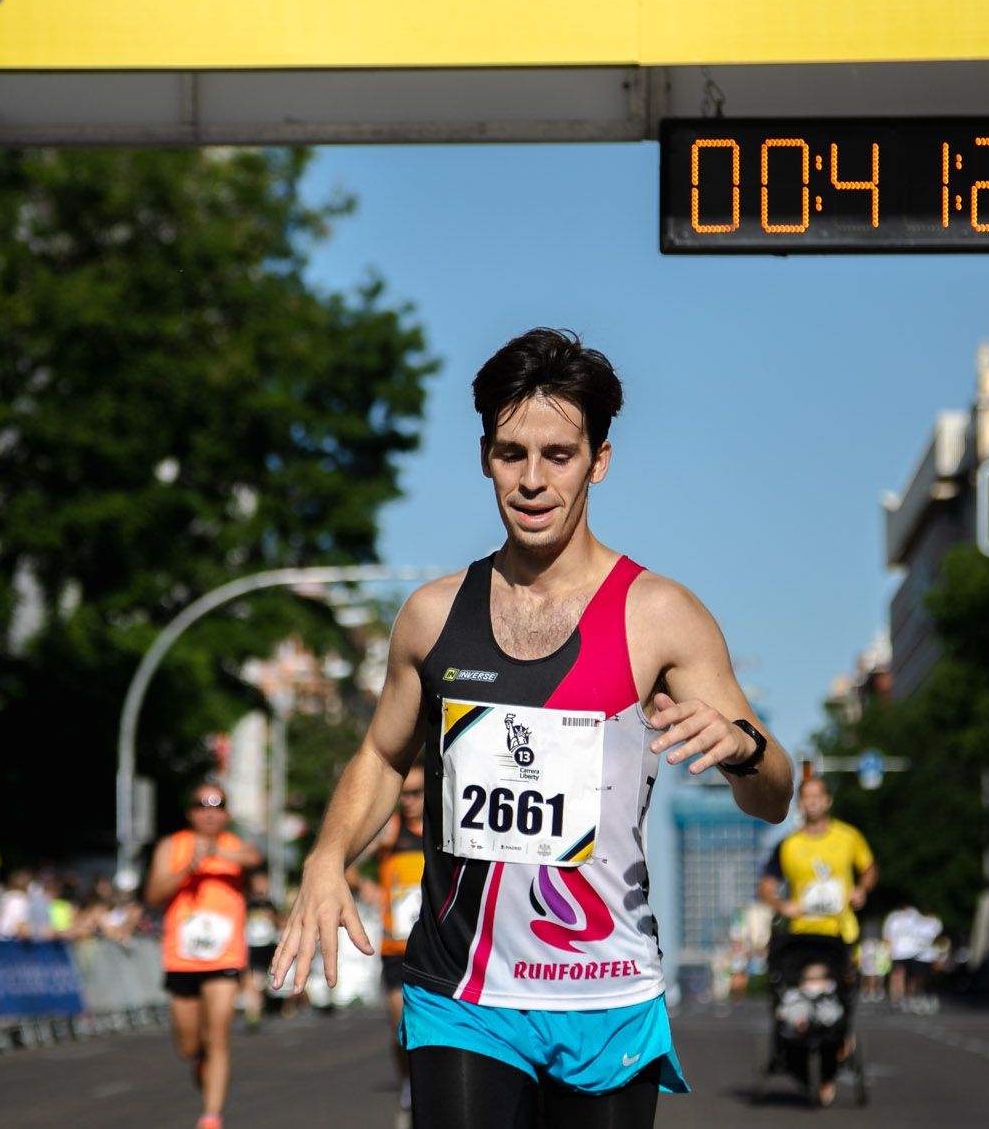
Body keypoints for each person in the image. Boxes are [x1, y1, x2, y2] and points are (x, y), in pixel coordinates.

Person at [271, 328, 792, 1129]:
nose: (533, 480)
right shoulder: (433, 616)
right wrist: (328, 854)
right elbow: (381, 754)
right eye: (512, 454)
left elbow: (771, 798)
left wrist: (746, 748)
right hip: (466, 994)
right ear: (485, 456)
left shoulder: (660, 616)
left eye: (558, 454)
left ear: (600, 460)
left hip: (607, 990)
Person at [145, 784, 262, 1129]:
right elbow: (152, 894)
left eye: (217, 806)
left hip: (224, 959)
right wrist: (189, 868)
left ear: (225, 813)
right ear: (190, 812)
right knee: (189, 1044)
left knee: (218, 1035)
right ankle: (200, 1063)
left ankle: (211, 1116)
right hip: (182, 959)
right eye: (201, 806)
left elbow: (255, 859)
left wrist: (222, 856)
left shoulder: (235, 847)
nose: (209, 813)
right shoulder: (172, 845)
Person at [758, 775, 875, 1105]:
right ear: (800, 805)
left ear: (827, 801)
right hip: (800, 937)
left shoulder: (848, 837)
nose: (811, 801)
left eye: (817, 796)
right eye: (805, 797)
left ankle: (836, 1050)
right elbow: (766, 886)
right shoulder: (789, 845)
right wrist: (783, 904)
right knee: (794, 998)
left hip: (839, 933)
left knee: (841, 998)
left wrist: (861, 890)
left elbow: (869, 869)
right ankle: (797, 1057)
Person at [374, 764, 428, 1129]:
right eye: (403, 794)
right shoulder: (391, 830)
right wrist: (363, 887)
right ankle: (408, 1081)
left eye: (415, 793)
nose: (408, 801)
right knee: (399, 1023)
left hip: (433, 943)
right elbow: (350, 858)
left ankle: (427, 1086)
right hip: (396, 946)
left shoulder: (443, 827)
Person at [241, 871, 280, 1028]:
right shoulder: (248, 904)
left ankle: (259, 1008)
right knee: (253, 981)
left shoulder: (270, 904)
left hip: (267, 946)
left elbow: (277, 923)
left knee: (262, 981)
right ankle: (253, 1013)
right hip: (252, 947)